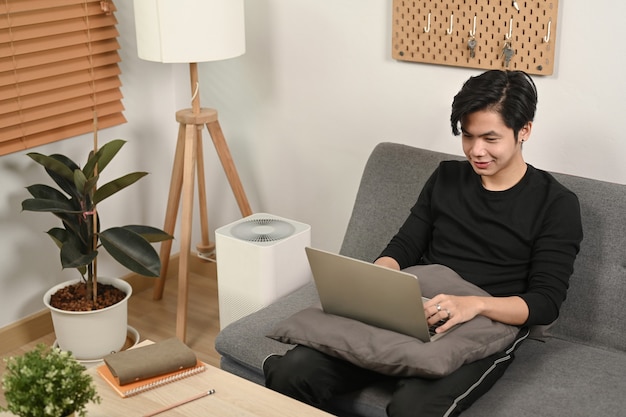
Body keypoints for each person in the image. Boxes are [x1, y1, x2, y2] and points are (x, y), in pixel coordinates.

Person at [263, 70, 583, 417]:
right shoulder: (447, 177)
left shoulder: (556, 204)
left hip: (483, 323)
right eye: (467, 136)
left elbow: (545, 302)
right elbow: (405, 245)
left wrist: (472, 305)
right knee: (291, 372)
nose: (476, 151)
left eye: (491, 138)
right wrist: (379, 278)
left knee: (413, 408)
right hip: (415, 309)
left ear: (524, 130)